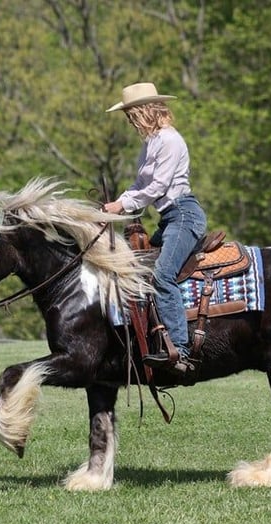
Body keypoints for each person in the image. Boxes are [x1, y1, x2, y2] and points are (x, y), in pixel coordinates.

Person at [104, 82, 207, 373]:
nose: (129, 120)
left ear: (145, 111)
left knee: (163, 273)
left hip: (184, 215)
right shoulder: (150, 143)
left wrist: (121, 206)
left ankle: (180, 351)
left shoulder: (171, 141)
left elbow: (158, 186)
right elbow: (140, 184)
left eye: (131, 114)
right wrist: (116, 205)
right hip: (168, 218)